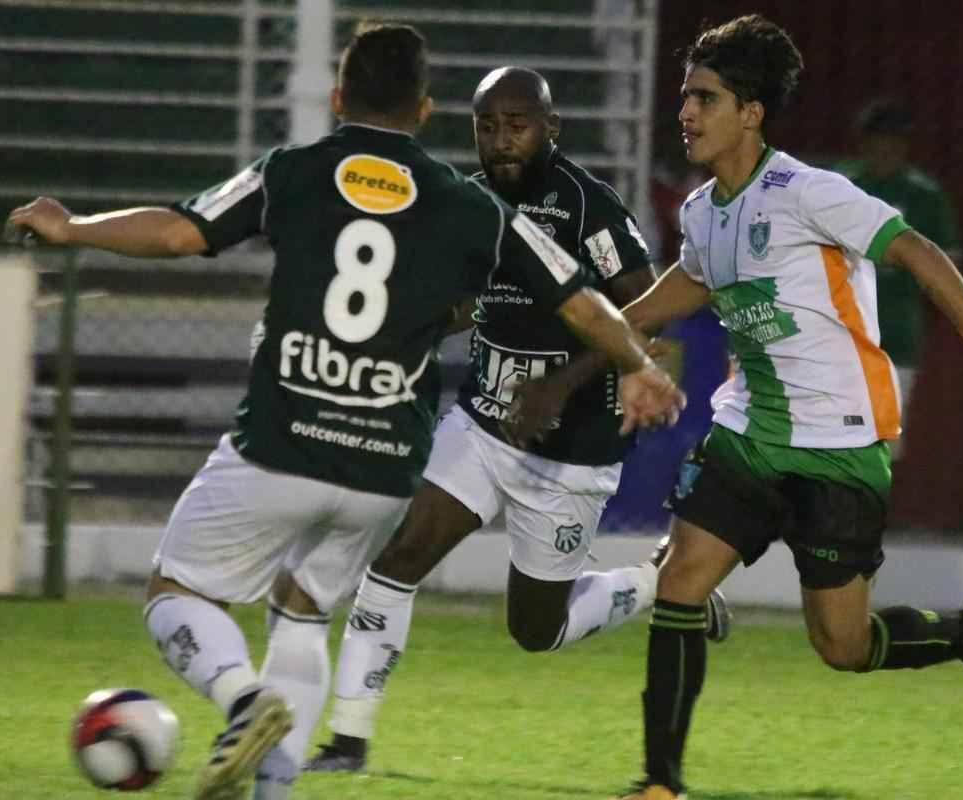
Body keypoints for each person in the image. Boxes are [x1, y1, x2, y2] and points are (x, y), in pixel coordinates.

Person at [5, 24, 686, 800]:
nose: (501, 138)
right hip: (385, 464)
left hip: (285, 441)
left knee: (176, 594)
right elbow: (585, 303)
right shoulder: (469, 205)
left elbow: (176, 230)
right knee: (304, 605)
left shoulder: (293, 171)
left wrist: (72, 228)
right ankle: (305, 768)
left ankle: (242, 699)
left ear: (336, 98)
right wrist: (638, 365)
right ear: (429, 111)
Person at [610, 15, 963, 800]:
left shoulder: (812, 192)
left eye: (704, 99)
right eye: (684, 98)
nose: (686, 114)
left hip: (840, 442)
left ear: (751, 112)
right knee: (680, 584)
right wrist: (614, 323)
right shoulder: (705, 210)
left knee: (844, 647)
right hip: (748, 431)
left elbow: (918, 251)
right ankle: (660, 783)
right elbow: (691, 282)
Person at [303, 65, 731, 775]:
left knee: (538, 629)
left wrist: (570, 382)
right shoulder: (466, 205)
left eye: (518, 123)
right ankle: (346, 741)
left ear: (550, 128)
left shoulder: (590, 210)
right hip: (481, 425)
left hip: (574, 453)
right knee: (397, 559)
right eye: (487, 125)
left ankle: (663, 584)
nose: (501, 140)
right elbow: (467, 300)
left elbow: (643, 314)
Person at [837, 97, 963, 456]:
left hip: (897, 332)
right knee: (837, 429)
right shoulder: (841, 186)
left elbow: (950, 261)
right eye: (880, 138)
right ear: (864, 142)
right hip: (841, 329)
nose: (888, 148)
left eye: (896, 140)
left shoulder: (924, 195)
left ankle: (867, 509)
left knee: (883, 435)